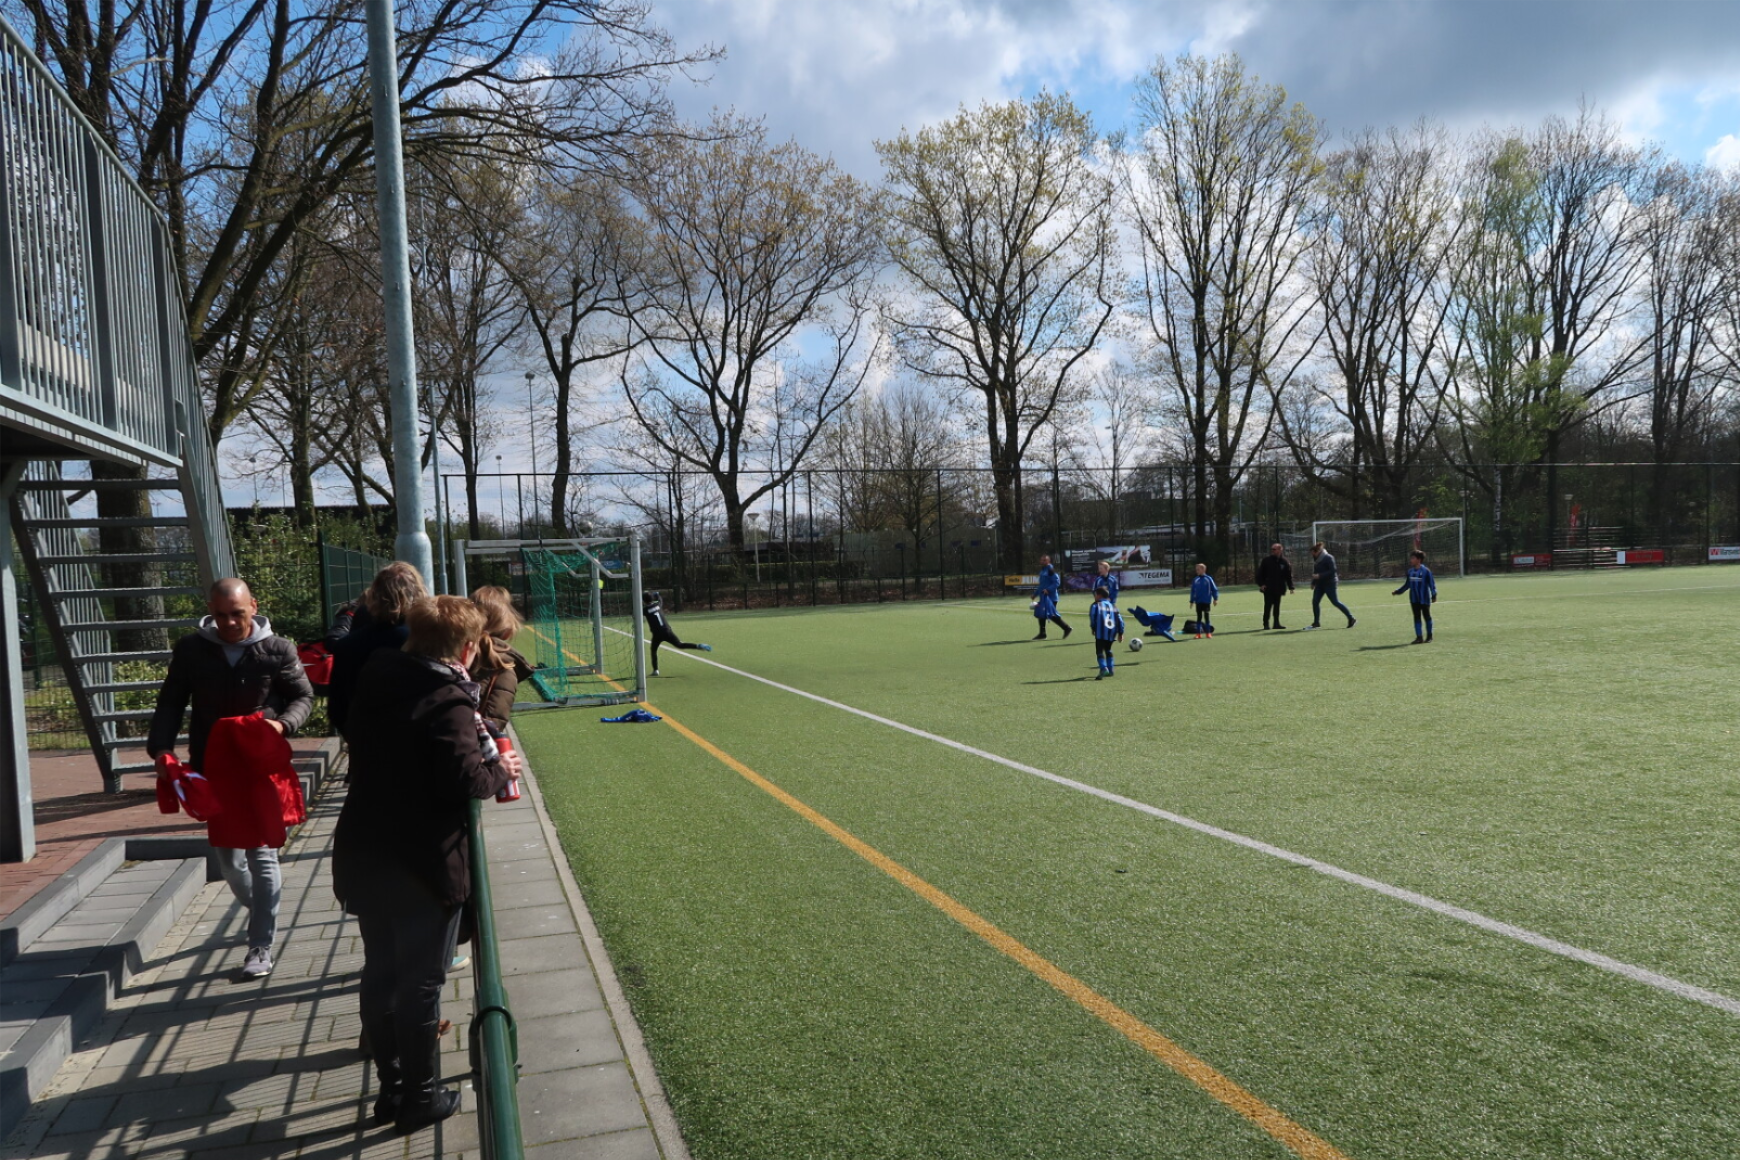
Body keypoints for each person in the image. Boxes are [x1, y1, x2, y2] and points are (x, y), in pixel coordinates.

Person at [336, 596, 519, 1134]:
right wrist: (501, 767)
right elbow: (465, 781)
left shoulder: (378, 676)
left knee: (381, 972)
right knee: (419, 982)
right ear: (466, 648)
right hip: (420, 859)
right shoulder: (447, 699)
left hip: (366, 844)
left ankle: (392, 1089)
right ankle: (420, 1096)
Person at [147, 578, 313, 979]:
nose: (230, 623)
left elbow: (302, 697)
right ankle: (261, 911)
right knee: (229, 861)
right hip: (213, 765)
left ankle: (260, 945)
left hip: (258, 767)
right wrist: (161, 749)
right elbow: (171, 701)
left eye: (237, 614)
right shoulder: (192, 650)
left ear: (253, 606)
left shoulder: (277, 649)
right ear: (210, 610)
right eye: (221, 615)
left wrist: (282, 725)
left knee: (261, 853)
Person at [329, 562, 427, 731]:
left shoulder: (346, 646)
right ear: (419, 593)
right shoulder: (425, 641)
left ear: (374, 595)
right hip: (419, 736)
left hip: (366, 737)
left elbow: (337, 710)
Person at [470, 586, 533, 731]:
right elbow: (494, 724)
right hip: (472, 741)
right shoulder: (503, 669)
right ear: (507, 631)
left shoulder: (452, 654)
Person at [643, 590, 712, 676]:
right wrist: (657, 595)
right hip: (667, 631)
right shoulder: (658, 605)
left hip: (657, 634)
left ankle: (656, 670)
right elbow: (660, 599)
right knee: (680, 644)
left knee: (653, 650)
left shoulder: (645, 610)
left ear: (644, 601)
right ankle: (698, 646)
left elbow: (637, 613)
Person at [1305, 542, 1356, 630]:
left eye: (1313, 553)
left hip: (1330, 583)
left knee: (1335, 602)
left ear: (1317, 552)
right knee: (1315, 601)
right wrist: (1313, 583)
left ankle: (1351, 618)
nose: (1312, 555)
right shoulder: (1316, 560)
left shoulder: (1329, 558)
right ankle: (1316, 623)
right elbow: (1316, 572)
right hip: (1320, 584)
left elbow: (1333, 571)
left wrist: (1320, 576)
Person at [1392, 549, 1438, 643]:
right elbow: (1407, 585)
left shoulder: (1426, 571)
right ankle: (1419, 637)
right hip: (1414, 599)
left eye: (1413, 558)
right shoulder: (1410, 572)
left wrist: (1434, 595)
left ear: (1419, 560)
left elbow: (1432, 584)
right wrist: (1398, 591)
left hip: (1424, 599)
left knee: (1427, 616)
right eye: (1411, 558)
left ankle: (1429, 636)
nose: (1411, 560)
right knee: (1417, 617)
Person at [1254, 543, 1295, 630]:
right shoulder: (1266, 560)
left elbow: (1288, 576)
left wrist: (1291, 587)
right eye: (1272, 549)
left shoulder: (1285, 562)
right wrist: (1261, 584)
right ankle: (1266, 624)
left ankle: (1276, 624)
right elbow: (1259, 574)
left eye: (1274, 549)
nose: (1272, 551)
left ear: (1280, 550)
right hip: (1268, 588)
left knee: (1277, 607)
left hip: (1279, 588)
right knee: (1267, 606)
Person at [1030, 555, 1071, 640]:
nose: (1042, 561)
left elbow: (1057, 582)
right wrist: (1035, 594)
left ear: (1048, 561)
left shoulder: (1050, 569)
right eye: (1041, 560)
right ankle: (1042, 633)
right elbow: (1042, 585)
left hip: (1051, 598)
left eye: (1044, 560)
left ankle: (1066, 628)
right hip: (1044, 597)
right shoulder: (1043, 570)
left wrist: (1048, 589)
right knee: (1041, 614)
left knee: (1051, 615)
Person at [1089, 585, 1124, 679]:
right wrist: (1121, 632)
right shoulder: (1113, 606)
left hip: (1101, 631)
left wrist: (1093, 628)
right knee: (1108, 649)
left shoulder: (1095, 605)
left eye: (1095, 595)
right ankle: (1111, 669)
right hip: (1112, 632)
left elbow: (1093, 617)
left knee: (1099, 650)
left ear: (1099, 595)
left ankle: (1103, 668)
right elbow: (1120, 620)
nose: (1094, 596)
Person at [1188, 563, 1219, 639]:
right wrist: (1191, 601)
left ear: (1203, 569)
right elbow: (1193, 591)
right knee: (1199, 617)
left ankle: (1208, 633)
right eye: (1196, 569)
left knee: (1206, 617)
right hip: (1198, 602)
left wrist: (1215, 599)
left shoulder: (1208, 579)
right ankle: (1198, 634)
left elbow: (1214, 589)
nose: (1197, 571)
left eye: (1198, 569)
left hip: (1206, 602)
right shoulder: (1195, 579)